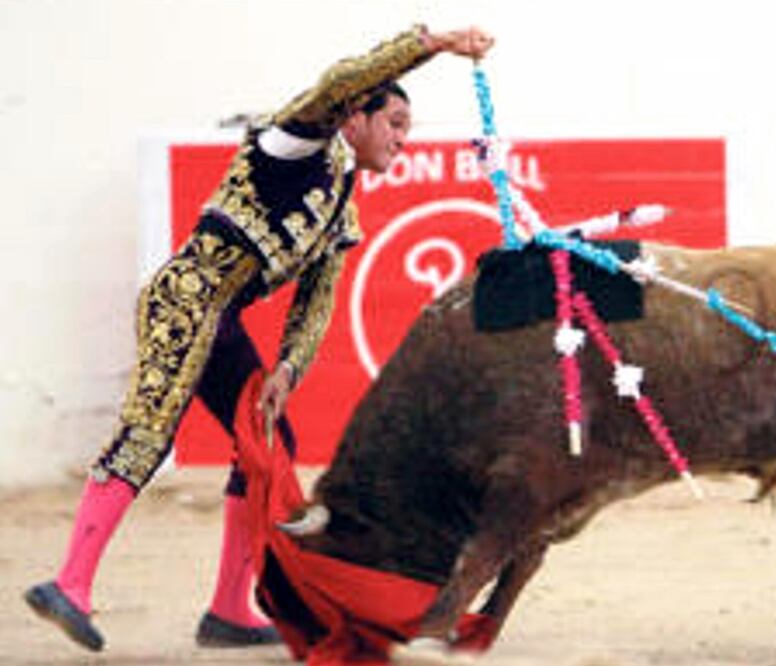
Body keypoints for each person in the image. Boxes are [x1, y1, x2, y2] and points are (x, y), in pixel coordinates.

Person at [24, 23, 495, 653]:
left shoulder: (342, 207)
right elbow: (338, 81)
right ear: (357, 116)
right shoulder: (293, 142)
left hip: (221, 319)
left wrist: (287, 371)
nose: (403, 141)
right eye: (396, 123)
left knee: (269, 440)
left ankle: (228, 612)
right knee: (149, 431)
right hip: (184, 298)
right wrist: (431, 44)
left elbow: (316, 300)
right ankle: (71, 585)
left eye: (408, 130)